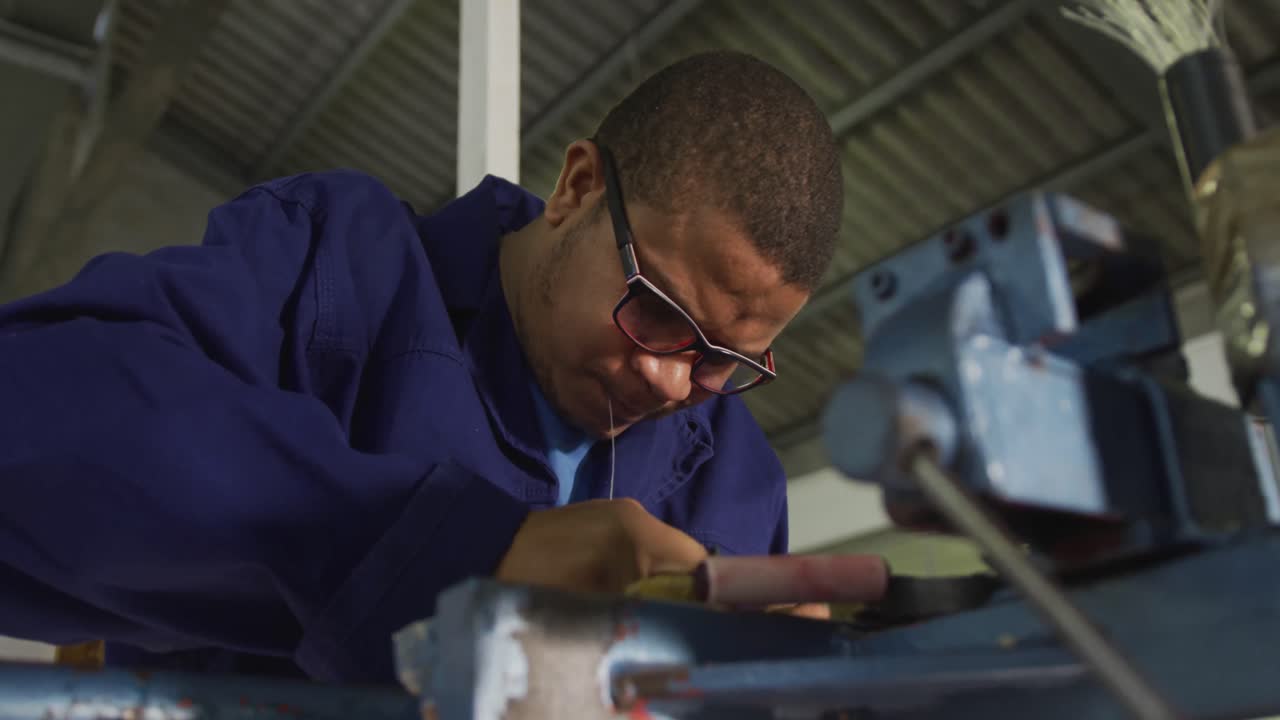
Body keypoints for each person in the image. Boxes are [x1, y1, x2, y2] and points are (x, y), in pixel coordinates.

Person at [0, 50, 842, 683]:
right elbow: (34, 409)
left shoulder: (737, 481)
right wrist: (453, 553)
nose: (669, 381)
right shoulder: (337, 268)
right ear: (577, 188)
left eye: (722, 359)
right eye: (657, 309)